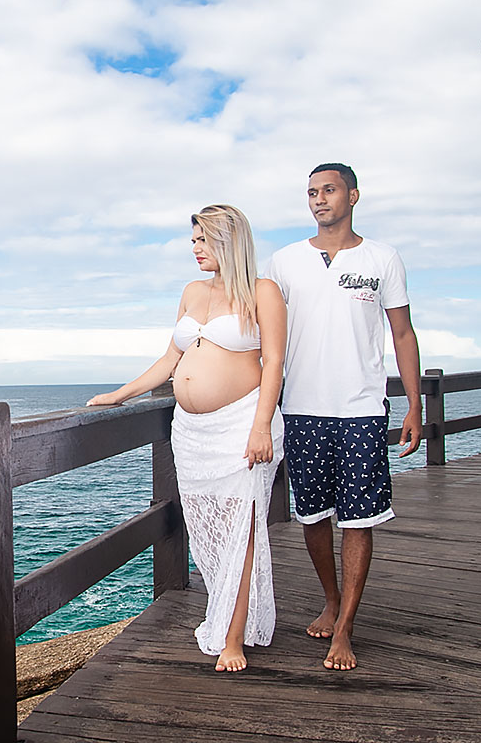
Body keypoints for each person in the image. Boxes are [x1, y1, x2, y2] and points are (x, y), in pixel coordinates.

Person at [88, 204, 286, 673]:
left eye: (202, 240)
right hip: (193, 433)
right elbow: (169, 359)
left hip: (242, 425)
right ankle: (228, 613)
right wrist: (119, 395)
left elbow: (275, 362)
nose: (195, 249)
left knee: (241, 529)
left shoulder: (263, 291)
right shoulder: (192, 292)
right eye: (193, 240)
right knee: (207, 530)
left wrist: (261, 426)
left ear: (229, 240)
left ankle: (233, 638)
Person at [265, 163, 422, 671]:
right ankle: (330, 600)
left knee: (359, 519)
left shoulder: (382, 258)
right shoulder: (284, 262)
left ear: (352, 195)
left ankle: (346, 626)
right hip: (301, 409)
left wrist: (415, 403)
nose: (318, 199)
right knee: (312, 517)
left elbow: (402, 333)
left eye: (328, 190)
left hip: (360, 410)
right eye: (311, 192)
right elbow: (264, 335)